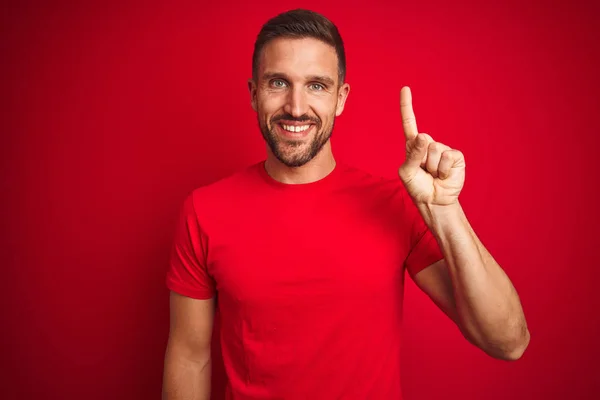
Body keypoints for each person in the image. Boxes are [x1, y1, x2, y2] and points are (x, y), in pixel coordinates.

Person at [162, 8, 530, 400]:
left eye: (317, 86)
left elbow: (508, 342)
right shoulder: (204, 210)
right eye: (278, 83)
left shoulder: (394, 205)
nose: (297, 107)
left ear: (341, 97)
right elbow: (189, 357)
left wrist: (446, 211)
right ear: (254, 94)